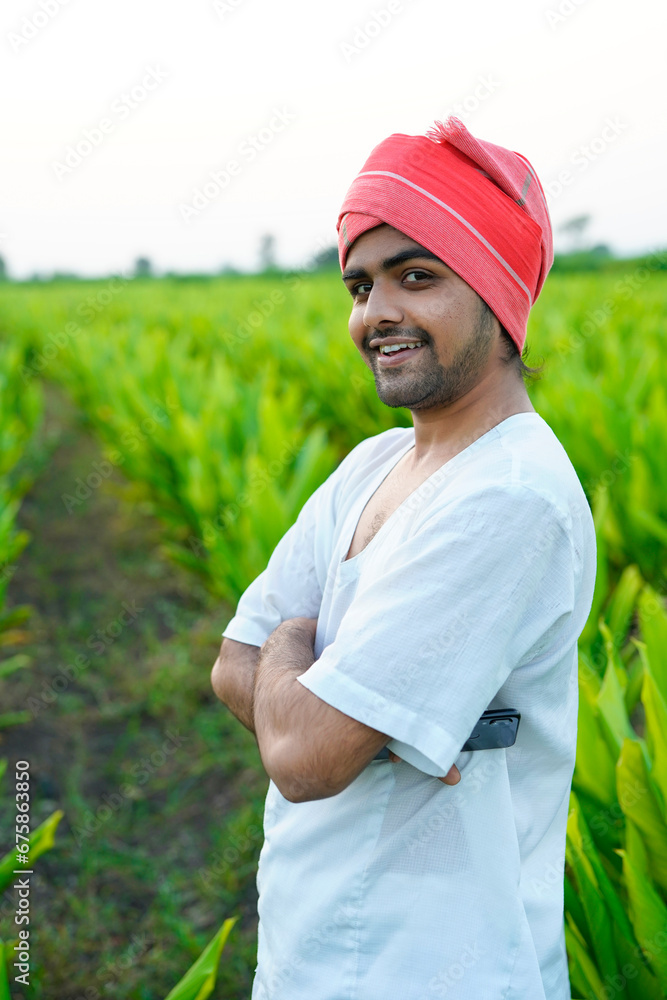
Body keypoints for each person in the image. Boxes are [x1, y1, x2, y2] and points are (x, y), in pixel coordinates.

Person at [211, 116, 597, 1000]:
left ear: (499, 300)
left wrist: (298, 660)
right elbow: (228, 666)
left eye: (415, 277)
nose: (375, 313)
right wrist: (315, 692)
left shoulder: (508, 496)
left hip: (433, 965)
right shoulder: (375, 463)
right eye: (359, 285)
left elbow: (305, 757)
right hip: (309, 944)